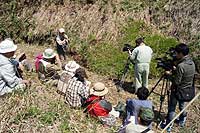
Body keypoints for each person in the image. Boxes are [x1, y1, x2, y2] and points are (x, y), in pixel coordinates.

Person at [161, 43, 196, 132]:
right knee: (182, 106)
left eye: (177, 53)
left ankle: (168, 125)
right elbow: (186, 75)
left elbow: (177, 81)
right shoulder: (191, 63)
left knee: (172, 107)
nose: (175, 55)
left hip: (178, 90)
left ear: (181, 53)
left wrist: (170, 74)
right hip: (187, 89)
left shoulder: (181, 66)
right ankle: (182, 120)